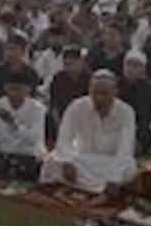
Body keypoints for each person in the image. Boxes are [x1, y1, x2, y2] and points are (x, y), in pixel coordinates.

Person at [40, 70, 138, 202]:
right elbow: (64, 138)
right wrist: (67, 161)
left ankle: (91, 187)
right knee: (50, 161)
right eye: (95, 93)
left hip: (110, 161)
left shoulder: (126, 112)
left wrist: (114, 178)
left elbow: (125, 149)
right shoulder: (77, 106)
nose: (98, 98)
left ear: (115, 92)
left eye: (103, 94)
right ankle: (97, 188)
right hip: (82, 158)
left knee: (130, 169)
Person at [0, 68, 47, 181]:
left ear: (28, 90)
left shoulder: (38, 109)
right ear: (5, 88)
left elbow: (34, 138)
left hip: (26, 154)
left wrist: (14, 125)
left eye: (19, 89)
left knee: (25, 168)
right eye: (12, 89)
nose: (15, 93)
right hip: (1, 152)